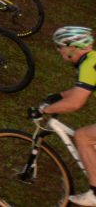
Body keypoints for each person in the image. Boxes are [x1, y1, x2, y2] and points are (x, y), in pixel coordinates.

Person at [30, 26, 96, 206]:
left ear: (72, 46)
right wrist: (57, 97)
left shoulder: (90, 64)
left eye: (60, 47)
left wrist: (44, 110)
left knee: (83, 136)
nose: (59, 51)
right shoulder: (92, 60)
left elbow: (75, 102)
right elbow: (80, 90)